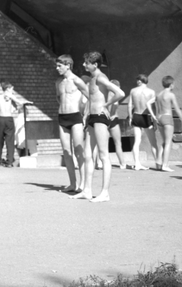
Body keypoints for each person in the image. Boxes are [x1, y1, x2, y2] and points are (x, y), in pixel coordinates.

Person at [76, 52, 122, 202]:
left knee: (103, 155)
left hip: (101, 118)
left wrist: (106, 105)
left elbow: (120, 93)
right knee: (88, 155)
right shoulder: (92, 79)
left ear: (94, 64)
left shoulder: (101, 77)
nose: (84, 65)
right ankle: (87, 190)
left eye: (86, 62)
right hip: (91, 117)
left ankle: (105, 193)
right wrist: (85, 115)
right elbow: (92, 99)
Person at [54, 54, 87, 193]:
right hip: (62, 117)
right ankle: (73, 184)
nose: (57, 68)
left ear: (68, 65)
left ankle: (84, 184)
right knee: (67, 152)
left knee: (79, 150)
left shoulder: (77, 80)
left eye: (59, 66)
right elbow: (58, 98)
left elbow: (90, 97)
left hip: (75, 117)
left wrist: (85, 115)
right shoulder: (58, 82)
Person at [0, 79, 29, 168]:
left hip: (0, 119)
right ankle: (9, 162)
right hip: (8, 119)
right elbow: (19, 102)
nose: (13, 90)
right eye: (12, 88)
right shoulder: (10, 95)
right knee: (10, 141)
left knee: (0, 141)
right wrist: (26, 102)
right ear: (8, 88)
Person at [127, 75, 156, 172]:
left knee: (137, 141)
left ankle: (137, 164)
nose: (137, 82)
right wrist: (155, 121)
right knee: (153, 142)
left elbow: (130, 104)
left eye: (137, 80)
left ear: (140, 81)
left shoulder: (133, 91)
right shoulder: (151, 92)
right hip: (146, 116)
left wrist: (130, 117)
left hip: (136, 115)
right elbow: (153, 107)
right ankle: (158, 163)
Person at [152, 75, 181, 171]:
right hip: (167, 117)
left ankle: (158, 162)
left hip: (159, 117)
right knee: (168, 142)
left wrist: (155, 118)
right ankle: (165, 165)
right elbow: (177, 109)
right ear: (171, 84)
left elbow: (153, 105)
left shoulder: (159, 95)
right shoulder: (171, 95)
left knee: (164, 142)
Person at [106, 83, 130, 171]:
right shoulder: (116, 95)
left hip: (105, 119)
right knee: (118, 143)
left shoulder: (105, 94)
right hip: (113, 118)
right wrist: (112, 113)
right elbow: (114, 105)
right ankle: (122, 163)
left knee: (102, 144)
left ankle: (99, 164)